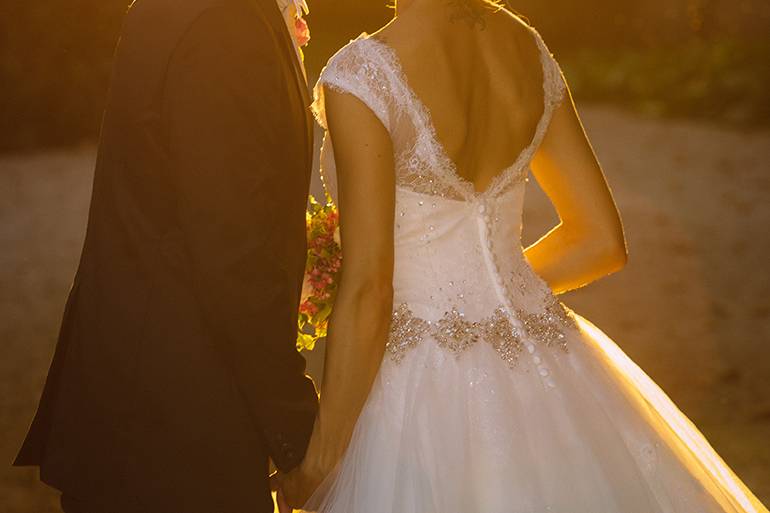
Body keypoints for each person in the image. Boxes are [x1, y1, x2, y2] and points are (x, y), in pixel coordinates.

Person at [273, 0, 769, 512]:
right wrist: (498, 296)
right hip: (549, 359)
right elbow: (598, 239)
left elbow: (370, 289)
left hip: (416, 381)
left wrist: (319, 463)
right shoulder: (525, 47)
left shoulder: (362, 73)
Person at [14, 0, 318, 511]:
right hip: (174, 427)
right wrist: (295, 428)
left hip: (135, 408)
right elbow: (232, 253)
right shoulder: (227, 26)